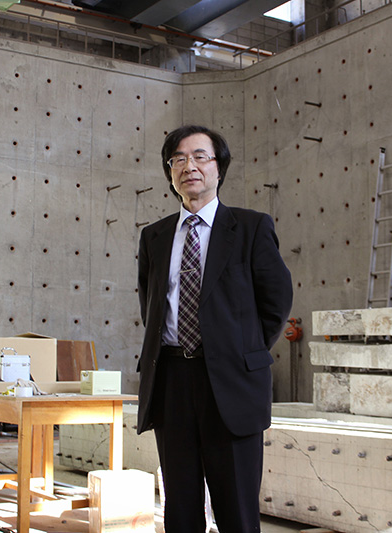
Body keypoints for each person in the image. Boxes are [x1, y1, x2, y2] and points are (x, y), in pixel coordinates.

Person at [136, 125, 294, 532]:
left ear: (219, 168)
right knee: (180, 507)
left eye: (200, 157)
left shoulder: (251, 227)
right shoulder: (154, 236)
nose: (189, 166)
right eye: (178, 159)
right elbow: (151, 305)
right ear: (170, 173)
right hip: (172, 380)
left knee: (237, 510)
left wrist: (241, 352)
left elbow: (276, 301)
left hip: (231, 382)